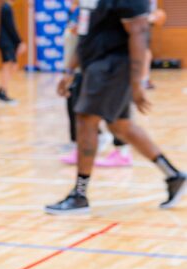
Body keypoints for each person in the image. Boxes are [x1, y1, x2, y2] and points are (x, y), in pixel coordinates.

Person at [46, 0, 186, 215]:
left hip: (113, 66)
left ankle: (79, 195)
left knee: (86, 119)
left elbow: (139, 33)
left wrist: (138, 81)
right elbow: (84, 34)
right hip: (93, 66)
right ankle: (174, 176)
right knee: (121, 126)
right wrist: (69, 69)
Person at [60, 2, 133, 168]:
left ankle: (121, 151)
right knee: (77, 110)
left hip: (105, 68)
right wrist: (68, 71)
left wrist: (139, 80)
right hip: (83, 67)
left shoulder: (108, 9)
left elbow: (144, 27)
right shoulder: (79, 10)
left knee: (116, 116)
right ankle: (85, 147)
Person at [0, 0, 27, 103]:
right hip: (6, 43)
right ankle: (2, 92)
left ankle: (1, 90)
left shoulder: (7, 8)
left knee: (12, 66)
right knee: (9, 65)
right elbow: (11, 28)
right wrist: (20, 42)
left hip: (8, 43)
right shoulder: (6, 8)